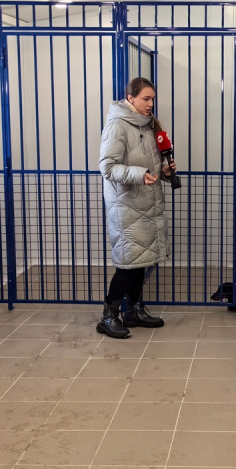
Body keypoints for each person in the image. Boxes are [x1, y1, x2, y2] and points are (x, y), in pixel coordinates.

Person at [98, 77, 177, 339]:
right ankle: (109, 315)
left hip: (146, 204)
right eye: (146, 98)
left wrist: (164, 172)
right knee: (127, 265)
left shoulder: (148, 124)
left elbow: (150, 166)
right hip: (126, 207)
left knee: (141, 260)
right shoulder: (117, 125)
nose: (150, 103)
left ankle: (133, 310)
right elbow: (107, 167)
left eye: (152, 98)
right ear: (130, 98)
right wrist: (139, 174)